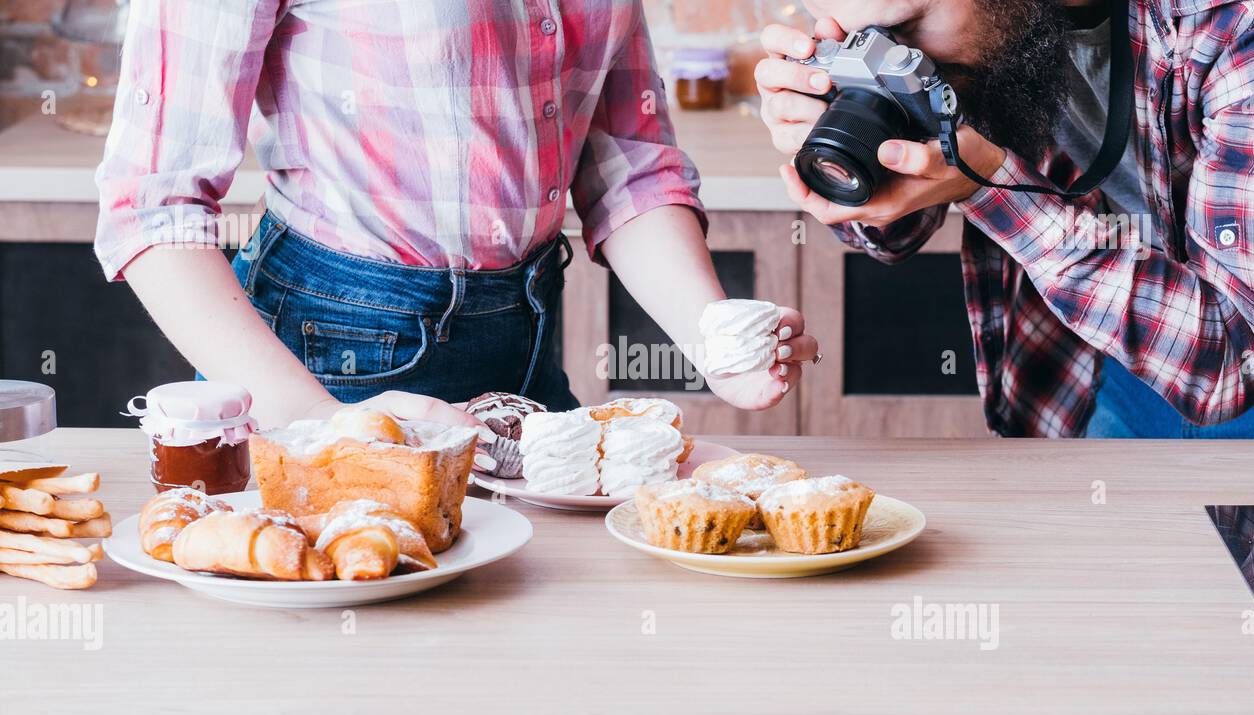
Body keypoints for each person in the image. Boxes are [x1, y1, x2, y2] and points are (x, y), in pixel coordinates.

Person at [95, 1, 818, 429]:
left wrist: (713, 337)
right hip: (322, 371)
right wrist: (325, 429)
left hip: (524, 355)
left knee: (538, 659)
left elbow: (623, 159)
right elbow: (153, 205)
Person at [756, 0, 1254, 438]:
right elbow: (894, 237)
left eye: (904, 29)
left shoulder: (1253, 23)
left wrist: (991, 189)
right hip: (1103, 360)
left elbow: (1234, 358)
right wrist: (841, 123)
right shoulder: (970, 32)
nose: (892, 60)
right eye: (860, 42)